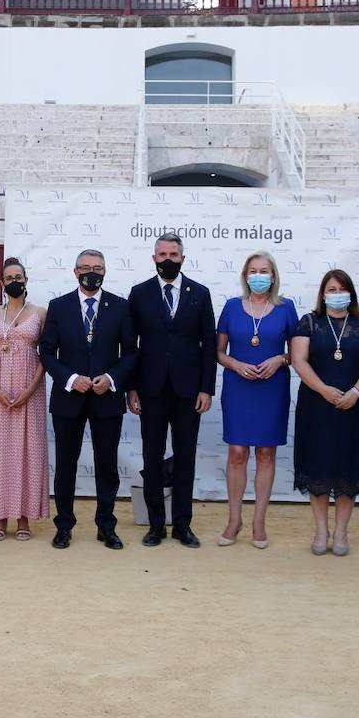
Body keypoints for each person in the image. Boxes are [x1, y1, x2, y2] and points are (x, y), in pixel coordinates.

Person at [38, 249, 138, 550]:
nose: (90, 272)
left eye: (96, 267)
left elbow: (131, 352)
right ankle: (64, 526)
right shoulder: (59, 306)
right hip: (69, 398)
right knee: (66, 464)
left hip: (106, 397)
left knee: (106, 464)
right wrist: (70, 379)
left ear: (105, 272)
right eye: (85, 267)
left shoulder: (121, 307)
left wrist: (110, 379)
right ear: (75, 271)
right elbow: (46, 352)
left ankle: (106, 526)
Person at [127, 234, 216, 548]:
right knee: (152, 458)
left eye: (173, 254)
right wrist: (131, 387)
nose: (168, 258)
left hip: (188, 391)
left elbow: (209, 346)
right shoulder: (139, 294)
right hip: (150, 390)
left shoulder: (200, 294)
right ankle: (155, 526)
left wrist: (207, 388)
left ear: (183, 257)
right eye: (162, 253)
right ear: (153, 258)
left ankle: (182, 525)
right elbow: (130, 347)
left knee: (185, 458)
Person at [289, 269, 359, 557]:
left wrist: (355, 392)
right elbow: (299, 361)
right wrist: (323, 389)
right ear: (322, 293)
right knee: (318, 467)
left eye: (341, 289)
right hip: (317, 406)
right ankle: (321, 530)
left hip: (354, 406)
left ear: (350, 292)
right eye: (331, 289)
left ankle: (341, 531)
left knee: (347, 469)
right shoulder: (309, 322)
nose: (336, 294)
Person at [215, 251, 298, 549]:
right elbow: (218, 352)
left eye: (264, 270)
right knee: (237, 452)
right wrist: (236, 365)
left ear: (273, 276)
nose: (258, 275)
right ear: (245, 275)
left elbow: (299, 353)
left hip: (272, 387)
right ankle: (234, 520)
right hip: (238, 387)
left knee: (265, 453)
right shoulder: (231, 307)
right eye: (253, 270)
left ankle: (259, 522)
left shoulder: (286, 308)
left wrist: (281, 359)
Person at [0, 257, 49, 541]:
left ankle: (23, 517)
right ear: (2, 283)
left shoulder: (41, 314)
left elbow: (47, 355)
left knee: (27, 453)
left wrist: (29, 390)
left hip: (29, 390)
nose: (15, 282)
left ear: (26, 280)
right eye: (9, 278)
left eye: (19, 277)